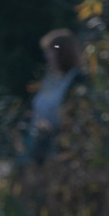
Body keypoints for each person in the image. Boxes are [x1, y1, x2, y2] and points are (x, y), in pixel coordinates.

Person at [26, 26, 81, 159]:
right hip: (39, 147)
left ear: (62, 53)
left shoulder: (77, 80)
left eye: (50, 51)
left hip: (62, 150)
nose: (47, 56)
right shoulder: (50, 80)